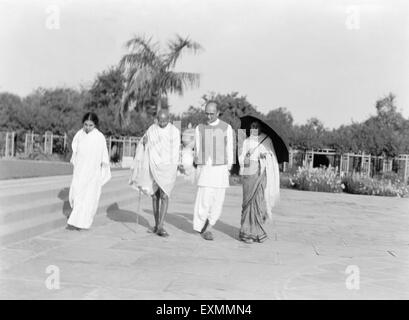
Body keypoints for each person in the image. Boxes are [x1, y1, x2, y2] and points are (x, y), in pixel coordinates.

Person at [129, 110, 181, 237]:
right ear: (157, 119)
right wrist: (144, 143)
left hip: (167, 168)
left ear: (169, 119)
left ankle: (161, 226)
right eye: (160, 120)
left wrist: (167, 165)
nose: (162, 123)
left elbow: (174, 151)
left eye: (165, 121)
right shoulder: (152, 129)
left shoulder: (174, 131)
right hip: (153, 166)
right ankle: (157, 224)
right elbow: (143, 143)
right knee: (155, 195)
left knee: (164, 195)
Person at [193, 101, 233, 240]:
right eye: (207, 113)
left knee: (217, 202)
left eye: (212, 113)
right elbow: (197, 150)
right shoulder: (199, 128)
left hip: (220, 170)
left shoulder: (226, 128)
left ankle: (209, 227)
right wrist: (199, 168)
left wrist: (228, 169)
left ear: (218, 113)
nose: (209, 116)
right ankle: (200, 225)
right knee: (203, 200)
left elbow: (230, 150)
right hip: (205, 170)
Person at [238, 120, 280, 243]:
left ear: (261, 128)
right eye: (252, 126)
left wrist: (265, 156)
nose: (254, 128)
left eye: (257, 126)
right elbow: (241, 159)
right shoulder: (246, 141)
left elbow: (272, 157)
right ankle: (246, 233)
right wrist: (246, 156)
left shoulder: (267, 140)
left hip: (261, 173)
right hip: (249, 174)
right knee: (247, 203)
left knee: (259, 202)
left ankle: (257, 232)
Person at [67, 112, 111, 230]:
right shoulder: (79, 135)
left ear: (95, 125)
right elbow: (75, 151)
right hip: (80, 172)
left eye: (90, 125)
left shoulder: (99, 137)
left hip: (92, 175)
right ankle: (77, 220)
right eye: (85, 124)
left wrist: (102, 171)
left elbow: (104, 156)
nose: (87, 127)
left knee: (88, 199)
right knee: (77, 196)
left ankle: (82, 223)